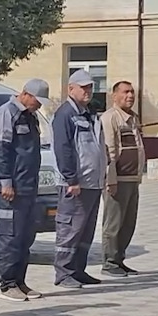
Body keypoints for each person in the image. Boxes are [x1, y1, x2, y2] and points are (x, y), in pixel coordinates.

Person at [50, 69, 106, 289]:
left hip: (93, 182)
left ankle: (77, 270)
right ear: (70, 89)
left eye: (90, 87)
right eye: (83, 87)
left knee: (85, 230)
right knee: (70, 229)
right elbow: (63, 149)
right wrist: (71, 178)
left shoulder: (89, 113)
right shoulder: (65, 115)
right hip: (75, 184)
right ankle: (63, 274)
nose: (88, 92)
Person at [0, 79, 46, 302]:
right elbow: (1, 149)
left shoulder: (30, 116)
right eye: (37, 101)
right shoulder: (7, 112)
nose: (39, 106)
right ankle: (8, 284)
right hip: (11, 189)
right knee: (10, 236)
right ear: (25, 94)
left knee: (25, 237)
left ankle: (20, 281)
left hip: (28, 186)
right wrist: (5, 181)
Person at [99, 80, 146, 277]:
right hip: (117, 180)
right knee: (114, 223)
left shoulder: (133, 118)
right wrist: (111, 179)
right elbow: (109, 151)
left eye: (132, 92)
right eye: (125, 92)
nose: (130, 96)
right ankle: (109, 262)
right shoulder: (110, 118)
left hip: (132, 178)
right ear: (114, 96)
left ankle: (119, 260)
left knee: (128, 223)